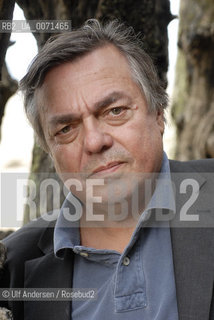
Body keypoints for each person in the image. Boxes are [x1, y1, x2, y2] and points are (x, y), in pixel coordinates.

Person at [1, 19, 214, 320]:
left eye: (114, 111)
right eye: (66, 129)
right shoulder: (14, 266)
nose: (94, 141)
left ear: (158, 113)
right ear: (49, 150)